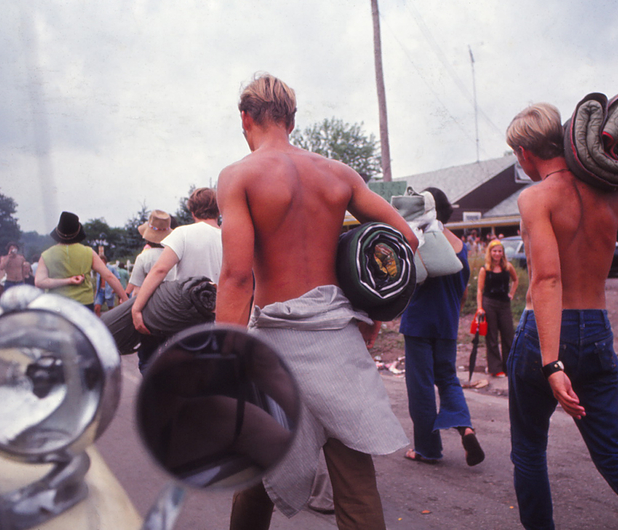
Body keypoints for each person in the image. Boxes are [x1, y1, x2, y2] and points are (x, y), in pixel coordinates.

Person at [216, 73, 418, 530]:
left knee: (257, 469)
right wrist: (373, 314)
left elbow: (235, 276)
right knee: (355, 483)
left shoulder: (239, 176)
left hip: (275, 350)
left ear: (245, 119)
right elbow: (404, 239)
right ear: (291, 119)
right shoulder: (337, 174)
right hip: (337, 340)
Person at [506, 103, 618, 529]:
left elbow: (547, 280)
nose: (519, 162)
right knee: (617, 458)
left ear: (528, 152)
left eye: (517, 154)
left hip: (545, 334)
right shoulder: (612, 194)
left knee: (529, 452)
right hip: (597, 331)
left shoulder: (534, 197)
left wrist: (552, 364)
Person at [399, 187, 485, 466]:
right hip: (447, 322)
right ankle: (465, 427)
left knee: (421, 386)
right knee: (447, 378)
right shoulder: (459, 245)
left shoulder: (419, 241)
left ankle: (428, 449)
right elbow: (462, 292)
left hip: (418, 323)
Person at [131, 189, 221, 335]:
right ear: (219, 211)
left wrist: (136, 308)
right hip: (221, 315)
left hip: (187, 316)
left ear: (192, 212)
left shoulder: (182, 233)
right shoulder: (229, 236)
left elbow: (160, 270)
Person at [35, 211, 128, 310]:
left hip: (56, 303)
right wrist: (125, 298)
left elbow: (39, 282)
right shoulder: (88, 252)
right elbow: (109, 276)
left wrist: (68, 281)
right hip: (83, 304)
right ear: (78, 232)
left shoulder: (46, 255)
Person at [476, 239, 519, 377]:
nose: (497, 253)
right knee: (492, 337)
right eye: (494, 251)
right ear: (490, 252)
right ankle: (495, 368)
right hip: (489, 304)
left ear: (503, 253)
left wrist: (511, 293)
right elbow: (479, 290)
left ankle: (509, 367)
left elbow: (515, 279)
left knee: (508, 335)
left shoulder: (507, 267)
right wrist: (479, 308)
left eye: (500, 251)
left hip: (504, 305)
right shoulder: (485, 269)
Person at [126, 209, 177, 297]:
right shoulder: (175, 256)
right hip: (172, 301)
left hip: (150, 303)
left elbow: (137, 290)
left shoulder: (143, 257)